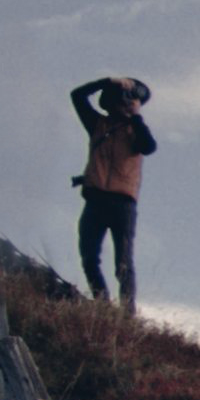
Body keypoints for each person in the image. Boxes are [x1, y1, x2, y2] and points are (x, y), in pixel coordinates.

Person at [68, 75, 154, 308]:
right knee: (89, 257)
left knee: (123, 263)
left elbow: (149, 147)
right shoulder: (98, 124)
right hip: (96, 200)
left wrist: (136, 116)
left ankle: (127, 313)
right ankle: (103, 304)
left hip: (122, 203)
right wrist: (107, 81)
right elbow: (77, 95)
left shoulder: (136, 130)